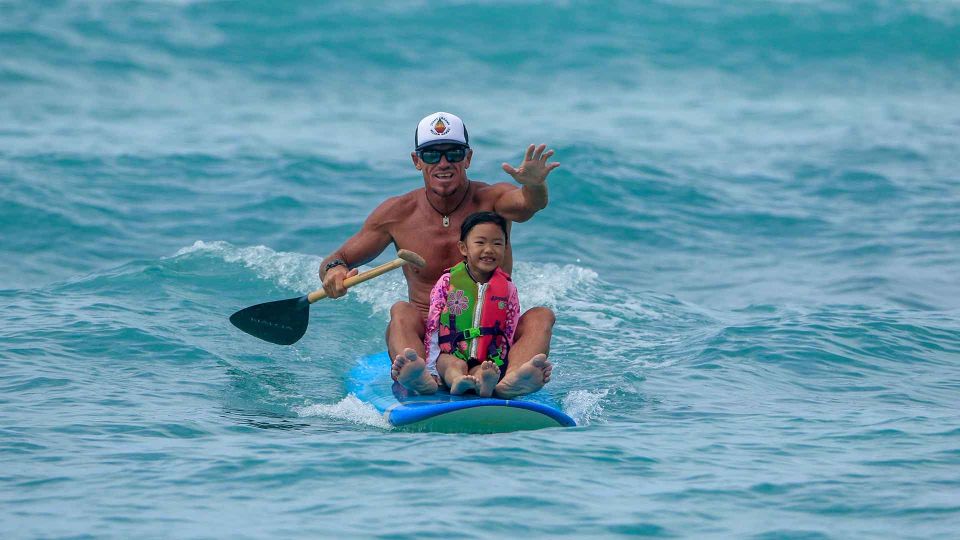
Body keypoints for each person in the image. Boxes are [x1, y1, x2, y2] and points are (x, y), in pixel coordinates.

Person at [318, 111, 559, 397]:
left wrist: (534, 184)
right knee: (401, 311)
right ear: (416, 160)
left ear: (468, 158)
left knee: (541, 316)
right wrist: (334, 271)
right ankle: (420, 375)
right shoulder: (397, 214)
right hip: (431, 340)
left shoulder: (493, 200)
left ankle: (513, 379)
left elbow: (529, 204)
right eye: (431, 155)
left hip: (493, 338)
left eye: (453, 153)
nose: (443, 163)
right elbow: (338, 258)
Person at [423, 212, 523, 397]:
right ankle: (457, 381)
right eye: (480, 242)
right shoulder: (447, 281)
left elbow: (510, 331)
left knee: (484, 370)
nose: (489, 249)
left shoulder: (508, 288)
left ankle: (484, 383)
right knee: (453, 365)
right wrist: (431, 367)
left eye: (497, 243)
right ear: (463, 248)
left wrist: (503, 362)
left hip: (488, 356)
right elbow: (432, 325)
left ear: (505, 248)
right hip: (452, 353)